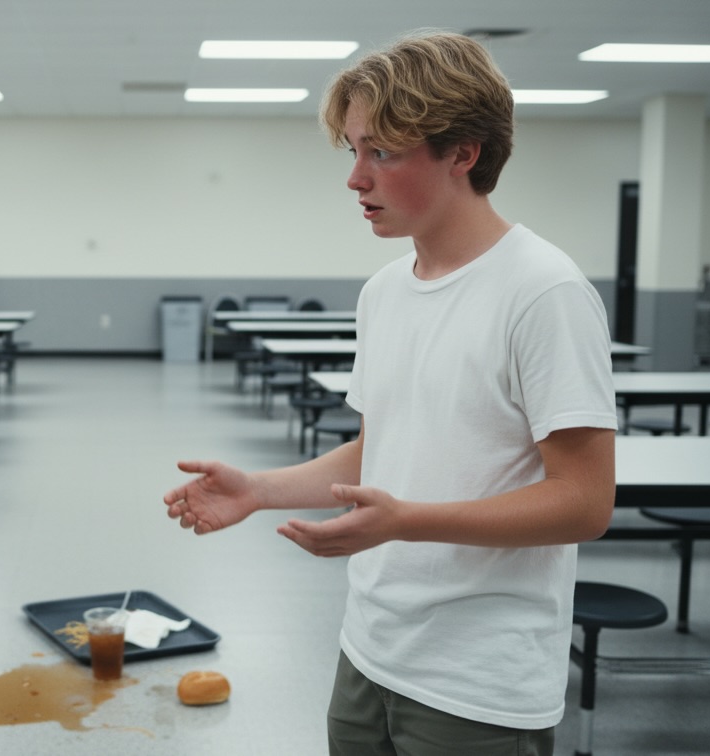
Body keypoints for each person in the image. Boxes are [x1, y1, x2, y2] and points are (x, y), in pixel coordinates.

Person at [163, 31, 616, 755]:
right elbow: (382, 451)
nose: (356, 177)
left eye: (384, 152)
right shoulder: (385, 293)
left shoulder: (543, 291)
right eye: (353, 151)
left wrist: (406, 521)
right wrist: (259, 488)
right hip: (369, 650)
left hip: (477, 681)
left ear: (462, 152)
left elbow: (585, 501)